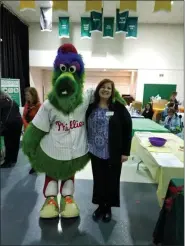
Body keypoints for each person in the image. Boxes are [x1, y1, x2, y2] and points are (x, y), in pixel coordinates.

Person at [22, 44, 126, 220]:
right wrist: (30, 146)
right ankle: (51, 200)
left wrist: (117, 98)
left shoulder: (85, 99)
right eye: (62, 70)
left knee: (69, 178)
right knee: (52, 176)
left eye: (71, 70)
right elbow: (37, 128)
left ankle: (68, 198)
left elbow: (105, 91)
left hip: (75, 152)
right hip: (52, 151)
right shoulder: (49, 105)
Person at [86, 79, 132, 223]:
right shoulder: (91, 107)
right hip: (95, 151)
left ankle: (108, 209)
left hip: (113, 152)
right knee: (99, 180)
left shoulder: (118, 108)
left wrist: (125, 152)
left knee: (112, 181)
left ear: (112, 92)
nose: (106, 90)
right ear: (98, 89)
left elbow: (127, 129)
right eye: (103, 87)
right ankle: (100, 206)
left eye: (109, 88)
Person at [0, 90, 23, 168]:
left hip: (9, 125)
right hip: (18, 123)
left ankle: (7, 162)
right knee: (15, 142)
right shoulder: (12, 101)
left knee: (8, 143)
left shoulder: (2, 103)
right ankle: (13, 159)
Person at [22, 87, 41, 174]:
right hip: (27, 130)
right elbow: (23, 116)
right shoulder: (27, 104)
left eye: (28, 95)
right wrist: (26, 125)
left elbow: (40, 120)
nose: (26, 97)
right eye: (25, 95)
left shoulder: (39, 106)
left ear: (33, 95)